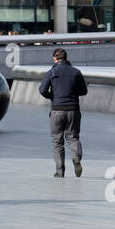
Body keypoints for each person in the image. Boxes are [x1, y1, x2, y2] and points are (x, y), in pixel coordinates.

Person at [38, 48, 87, 178]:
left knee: (57, 141)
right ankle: (76, 158)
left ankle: (60, 171)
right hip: (73, 110)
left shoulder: (51, 72)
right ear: (66, 58)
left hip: (57, 110)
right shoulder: (76, 72)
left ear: (55, 58)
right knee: (73, 137)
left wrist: (52, 97)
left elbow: (42, 90)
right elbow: (84, 91)